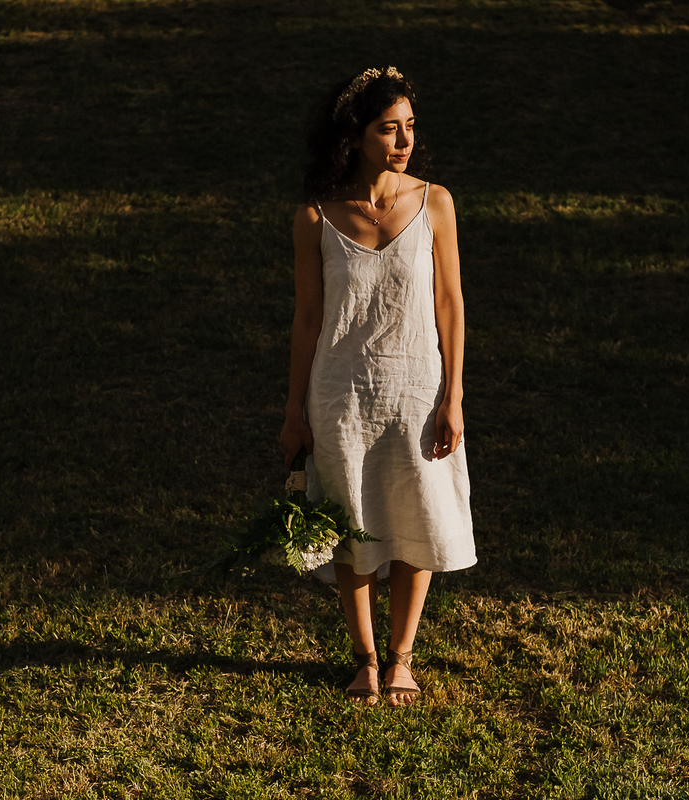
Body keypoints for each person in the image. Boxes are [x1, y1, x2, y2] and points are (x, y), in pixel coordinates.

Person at [279, 66, 476, 707]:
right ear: (356, 136)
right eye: (388, 129)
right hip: (340, 394)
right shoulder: (314, 218)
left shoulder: (435, 203)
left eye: (410, 127)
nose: (404, 141)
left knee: (417, 516)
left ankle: (402, 658)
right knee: (351, 525)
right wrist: (292, 410)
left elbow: (450, 303)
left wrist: (454, 397)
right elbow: (307, 320)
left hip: (419, 386)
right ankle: (364, 658)